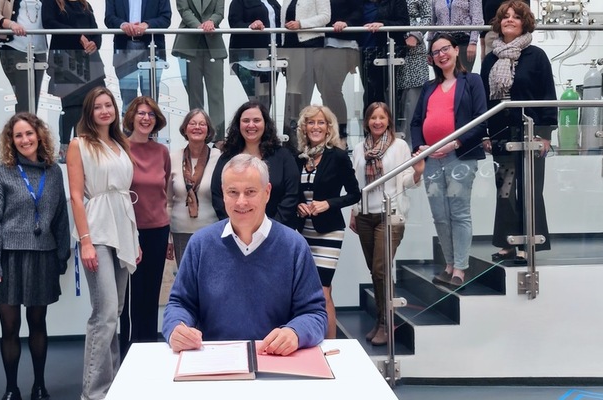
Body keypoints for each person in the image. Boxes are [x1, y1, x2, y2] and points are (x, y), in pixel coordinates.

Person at [163, 154, 327, 354]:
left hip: (276, 359)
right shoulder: (201, 244)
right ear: (223, 194)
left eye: (250, 192)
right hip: (215, 359)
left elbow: (315, 313)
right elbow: (179, 303)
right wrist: (176, 328)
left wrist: (295, 332)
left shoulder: (294, 246)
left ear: (267, 193)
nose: (241, 202)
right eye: (233, 192)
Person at [0, 112, 70, 400]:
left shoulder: (54, 172)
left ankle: (39, 386)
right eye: (18, 135)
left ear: (39, 135)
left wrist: (62, 255)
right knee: (10, 327)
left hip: (43, 257)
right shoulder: (1, 173)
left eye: (29, 133)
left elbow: (61, 216)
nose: (25, 139)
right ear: (11, 140)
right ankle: (11, 389)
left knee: (38, 323)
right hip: (8, 258)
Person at [65, 87, 141, 400]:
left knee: (115, 311)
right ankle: (93, 394)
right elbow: (76, 196)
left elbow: (124, 195)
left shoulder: (121, 144)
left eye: (109, 105)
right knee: (105, 312)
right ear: (89, 112)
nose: (105, 110)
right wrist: (85, 242)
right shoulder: (79, 144)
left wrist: (133, 238)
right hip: (96, 230)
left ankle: (111, 387)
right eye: (98, 106)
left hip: (122, 228)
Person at [481, 0, 555, 263]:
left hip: (530, 133)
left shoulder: (537, 56)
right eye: (505, 16)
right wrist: (485, 134)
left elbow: (548, 96)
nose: (509, 20)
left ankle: (528, 242)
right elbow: (484, 101)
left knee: (529, 190)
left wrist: (545, 134)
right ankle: (507, 242)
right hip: (501, 134)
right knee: (505, 190)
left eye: (515, 16)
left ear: (525, 23)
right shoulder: (490, 59)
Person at [411, 33, 488, 287]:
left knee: (459, 213)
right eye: (435, 52)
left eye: (445, 49)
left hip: (459, 156)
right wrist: (420, 147)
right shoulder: (428, 87)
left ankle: (460, 269)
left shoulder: (472, 81)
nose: (441, 55)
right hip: (431, 160)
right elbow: (415, 122)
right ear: (431, 59)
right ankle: (449, 264)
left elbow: (480, 120)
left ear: (456, 50)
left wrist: (455, 142)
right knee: (440, 215)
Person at [351, 102, 424, 346]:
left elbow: (407, 181)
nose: (377, 122)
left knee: (381, 269)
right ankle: (381, 319)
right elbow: (357, 184)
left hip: (390, 215)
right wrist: (354, 211)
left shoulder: (399, 146)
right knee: (375, 271)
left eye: (382, 117)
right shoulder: (359, 149)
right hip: (365, 215)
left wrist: (418, 172)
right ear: (366, 122)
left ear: (389, 121)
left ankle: (386, 323)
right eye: (373, 118)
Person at [294, 105, 361, 339]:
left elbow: (354, 194)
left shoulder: (338, 156)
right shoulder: (298, 157)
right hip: (303, 232)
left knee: (322, 291)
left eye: (320, 122)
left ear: (328, 127)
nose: (316, 127)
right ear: (304, 127)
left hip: (329, 232)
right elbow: (294, 193)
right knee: (316, 291)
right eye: (311, 122)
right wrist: (298, 205)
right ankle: (319, 340)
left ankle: (331, 346)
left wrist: (328, 204)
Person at [119, 96, 170, 357]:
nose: (146, 118)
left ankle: (148, 354)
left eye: (150, 114)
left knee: (151, 296)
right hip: (129, 231)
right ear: (131, 117)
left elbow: (165, 192)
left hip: (158, 230)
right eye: (141, 113)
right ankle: (128, 354)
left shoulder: (162, 152)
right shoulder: (120, 148)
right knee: (129, 298)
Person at [210, 100, 300, 226]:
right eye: (246, 120)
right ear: (238, 124)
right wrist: (236, 226)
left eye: (256, 120)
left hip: (276, 230)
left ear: (265, 124)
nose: (251, 125)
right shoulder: (227, 157)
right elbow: (217, 194)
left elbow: (292, 194)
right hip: (236, 230)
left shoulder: (283, 156)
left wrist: (271, 228)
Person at [42, 0, 106, 163]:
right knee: (70, 107)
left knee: (91, 105)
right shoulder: (52, 3)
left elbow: (95, 29)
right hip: (64, 58)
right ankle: (65, 148)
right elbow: (49, 23)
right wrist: (78, 35)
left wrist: (95, 43)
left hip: (88, 59)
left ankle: (84, 146)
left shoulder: (85, 4)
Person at [166, 109, 222, 266]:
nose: (197, 127)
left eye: (202, 124)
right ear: (185, 129)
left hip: (211, 231)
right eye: (192, 123)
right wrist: (168, 237)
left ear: (208, 130)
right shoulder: (172, 158)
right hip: (180, 232)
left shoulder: (219, 157)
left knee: (209, 276)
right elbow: (168, 202)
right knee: (186, 278)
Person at [278, 0, 330, 148]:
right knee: (293, 95)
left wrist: (301, 24)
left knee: (306, 94)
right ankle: (292, 142)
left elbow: (325, 16)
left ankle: (308, 141)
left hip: (311, 47)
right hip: (291, 49)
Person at [173, 0, 227, 139]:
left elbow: (219, 12)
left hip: (213, 43)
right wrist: (198, 26)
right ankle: (196, 135)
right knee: (194, 93)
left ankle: (218, 137)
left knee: (216, 93)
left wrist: (211, 22)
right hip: (189, 44)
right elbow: (184, 10)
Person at [105, 0, 172, 112]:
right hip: (124, 46)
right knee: (127, 99)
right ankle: (128, 124)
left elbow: (166, 18)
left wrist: (147, 24)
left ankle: (151, 124)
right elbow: (109, 18)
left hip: (152, 48)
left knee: (150, 100)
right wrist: (123, 25)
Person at [313, 0, 362, 139]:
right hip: (320, 45)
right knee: (325, 92)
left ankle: (341, 134)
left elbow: (359, 10)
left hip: (342, 44)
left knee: (332, 90)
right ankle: (331, 132)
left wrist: (346, 23)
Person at [0, 0, 47, 114]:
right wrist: (11, 24)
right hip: (14, 48)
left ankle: (28, 124)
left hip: (39, 50)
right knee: (24, 98)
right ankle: (23, 124)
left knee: (33, 99)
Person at [227, 0, 281, 111]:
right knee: (253, 101)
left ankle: (263, 121)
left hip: (272, 57)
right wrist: (250, 26)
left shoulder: (272, 2)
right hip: (248, 59)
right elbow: (234, 24)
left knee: (266, 101)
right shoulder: (239, 2)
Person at [359, 0, 410, 111]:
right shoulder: (361, 3)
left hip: (386, 53)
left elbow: (404, 23)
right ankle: (371, 121)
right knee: (369, 94)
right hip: (363, 53)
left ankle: (384, 120)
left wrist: (383, 24)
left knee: (380, 94)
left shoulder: (395, 2)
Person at [396, 0, 431, 143]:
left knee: (413, 100)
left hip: (414, 50)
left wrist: (415, 35)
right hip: (391, 47)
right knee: (393, 99)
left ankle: (412, 145)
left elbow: (428, 17)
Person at [430, 0, 483, 72]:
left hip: (463, 42)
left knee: (462, 75)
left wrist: (473, 42)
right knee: (443, 76)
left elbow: (477, 20)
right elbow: (432, 23)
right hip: (441, 43)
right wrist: (430, 49)